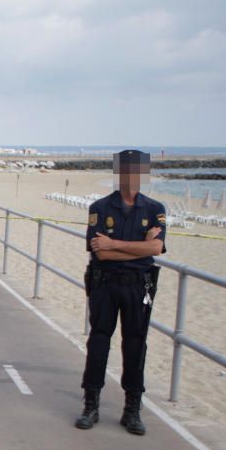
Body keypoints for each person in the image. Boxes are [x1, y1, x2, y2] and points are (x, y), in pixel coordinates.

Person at [76, 149, 166, 435]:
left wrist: (114, 244)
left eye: (136, 170)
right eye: (125, 170)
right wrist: (138, 247)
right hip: (105, 283)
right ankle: (91, 405)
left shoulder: (155, 208)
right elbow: (98, 252)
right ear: (118, 173)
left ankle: (132, 409)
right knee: (99, 342)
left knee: (136, 344)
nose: (131, 176)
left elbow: (155, 249)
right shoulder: (100, 208)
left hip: (139, 285)